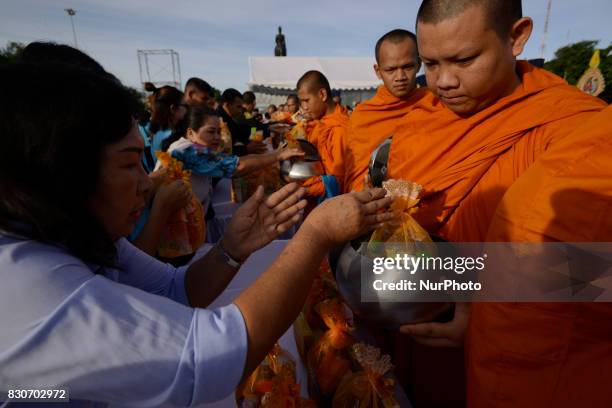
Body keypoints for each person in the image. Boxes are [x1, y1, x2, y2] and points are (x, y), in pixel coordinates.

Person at [0, 61, 395, 407]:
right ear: (66, 172)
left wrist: (232, 249)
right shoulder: (29, 281)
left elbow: (175, 291)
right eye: (127, 165)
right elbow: (208, 357)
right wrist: (315, 235)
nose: (145, 183)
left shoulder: (80, 236)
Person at [383, 0, 606, 406]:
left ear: (516, 37)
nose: (443, 81)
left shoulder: (576, 129)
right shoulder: (421, 121)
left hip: (512, 351)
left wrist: (481, 297)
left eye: (464, 59)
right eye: (430, 64)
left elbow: (602, 272)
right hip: (413, 336)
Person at [159, 107, 303, 225]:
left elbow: (236, 161)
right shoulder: (186, 151)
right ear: (191, 133)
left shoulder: (191, 148)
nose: (217, 137)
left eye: (218, 132)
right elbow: (238, 166)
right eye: (211, 131)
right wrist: (278, 155)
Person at [343, 29, 428, 192]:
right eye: (391, 70)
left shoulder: (434, 103)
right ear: (378, 71)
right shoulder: (363, 116)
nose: (400, 76)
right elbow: (355, 180)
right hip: (380, 205)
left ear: (419, 64)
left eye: (407, 67)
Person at [297, 70, 349, 199]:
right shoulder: (318, 124)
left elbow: (338, 180)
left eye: (306, 100)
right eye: (301, 102)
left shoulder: (339, 129)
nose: (304, 107)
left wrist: (303, 189)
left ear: (322, 94)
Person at [139, 83, 187, 172]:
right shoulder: (173, 137)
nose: (187, 110)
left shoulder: (144, 129)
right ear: (173, 108)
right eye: (185, 106)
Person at [217, 88, 267, 156]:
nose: (240, 110)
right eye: (238, 107)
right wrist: (248, 145)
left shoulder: (229, 117)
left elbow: (251, 127)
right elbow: (253, 126)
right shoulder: (218, 119)